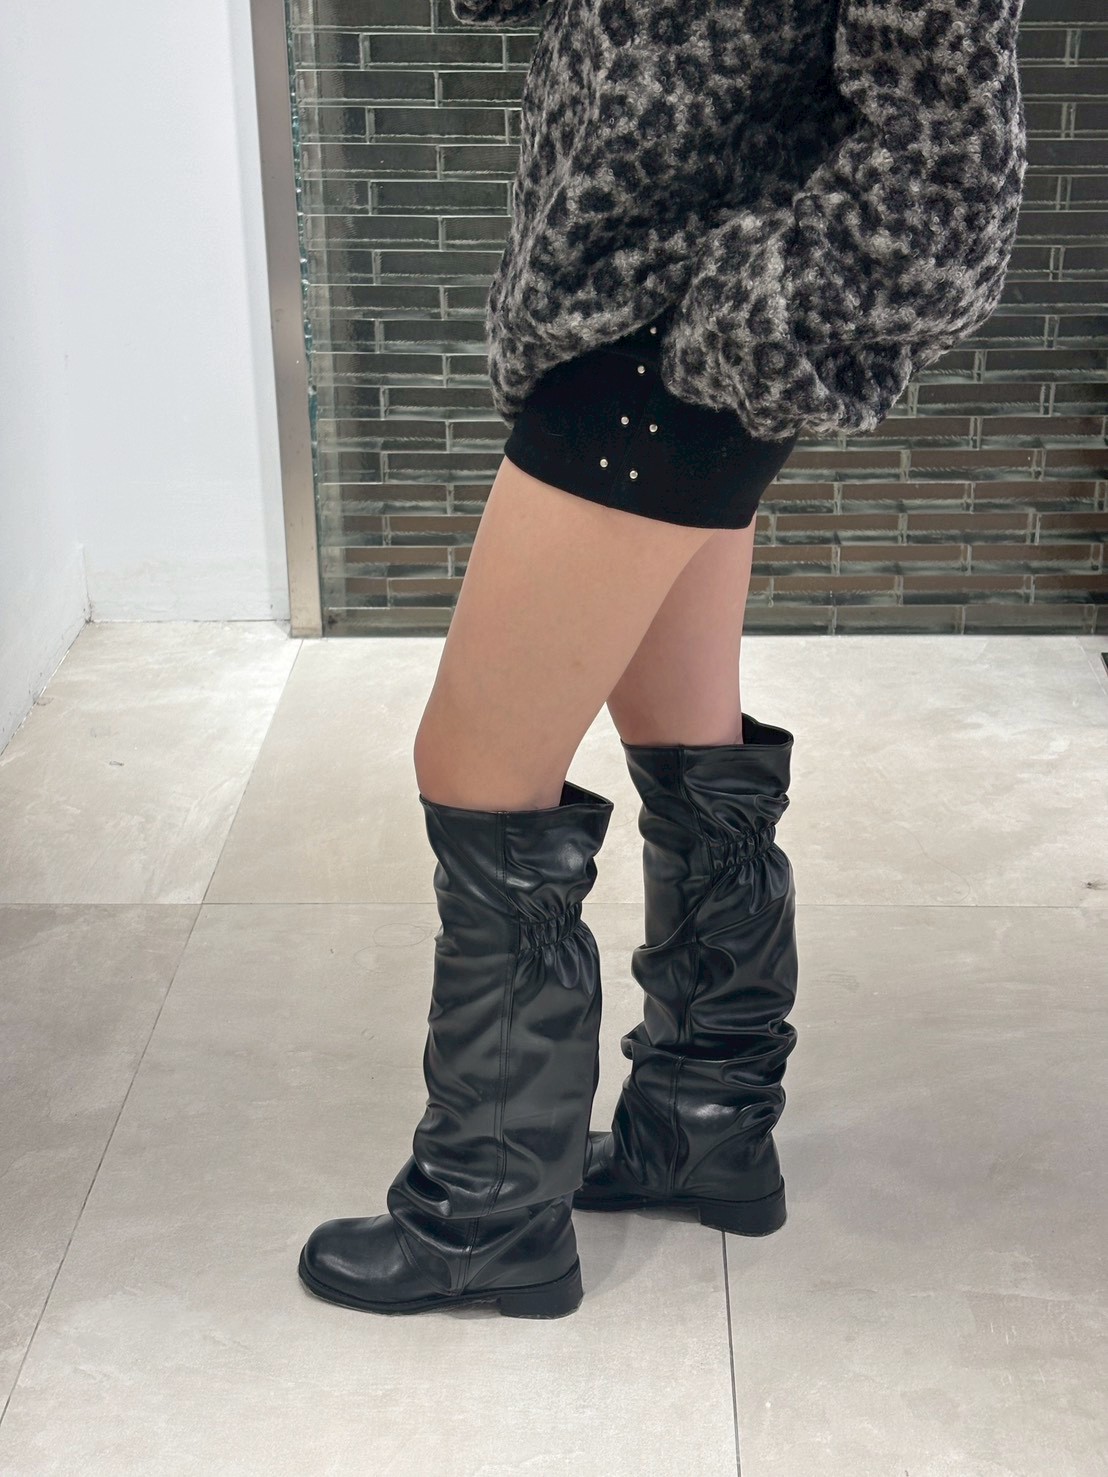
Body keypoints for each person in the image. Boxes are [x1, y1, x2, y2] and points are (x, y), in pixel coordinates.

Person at [297, 0, 1027, 1318]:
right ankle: (704, 1124)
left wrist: (738, 334)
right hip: (637, 320)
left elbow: (950, 164)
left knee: (478, 770)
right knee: (692, 745)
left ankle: (485, 1211)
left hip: (669, 342)